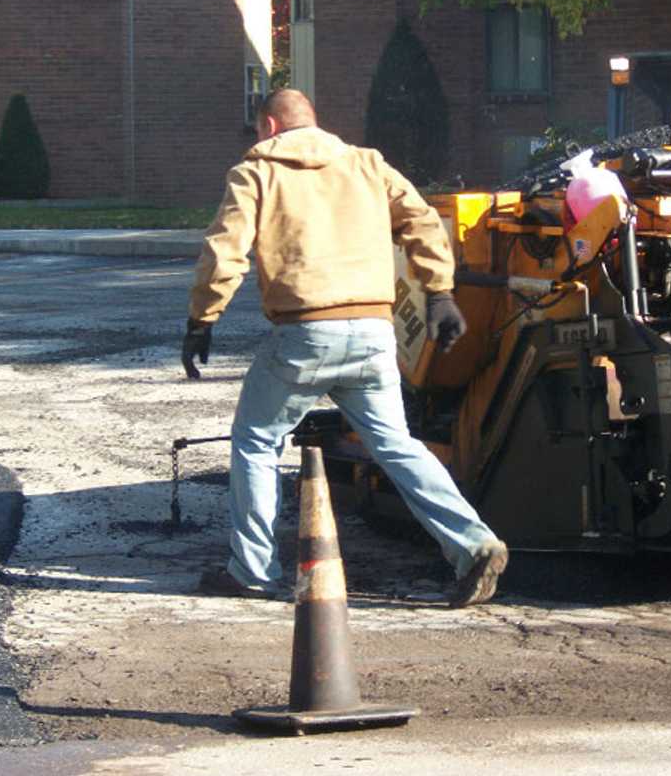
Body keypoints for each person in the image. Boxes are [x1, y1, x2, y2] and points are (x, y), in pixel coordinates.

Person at [183, 88, 508, 608]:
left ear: (268, 126)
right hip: (375, 333)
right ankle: (473, 545)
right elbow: (423, 220)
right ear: (314, 121)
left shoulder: (257, 172)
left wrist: (202, 319)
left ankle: (251, 571)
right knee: (397, 447)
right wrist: (440, 293)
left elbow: (225, 251)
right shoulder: (366, 164)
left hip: (305, 333)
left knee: (256, 441)